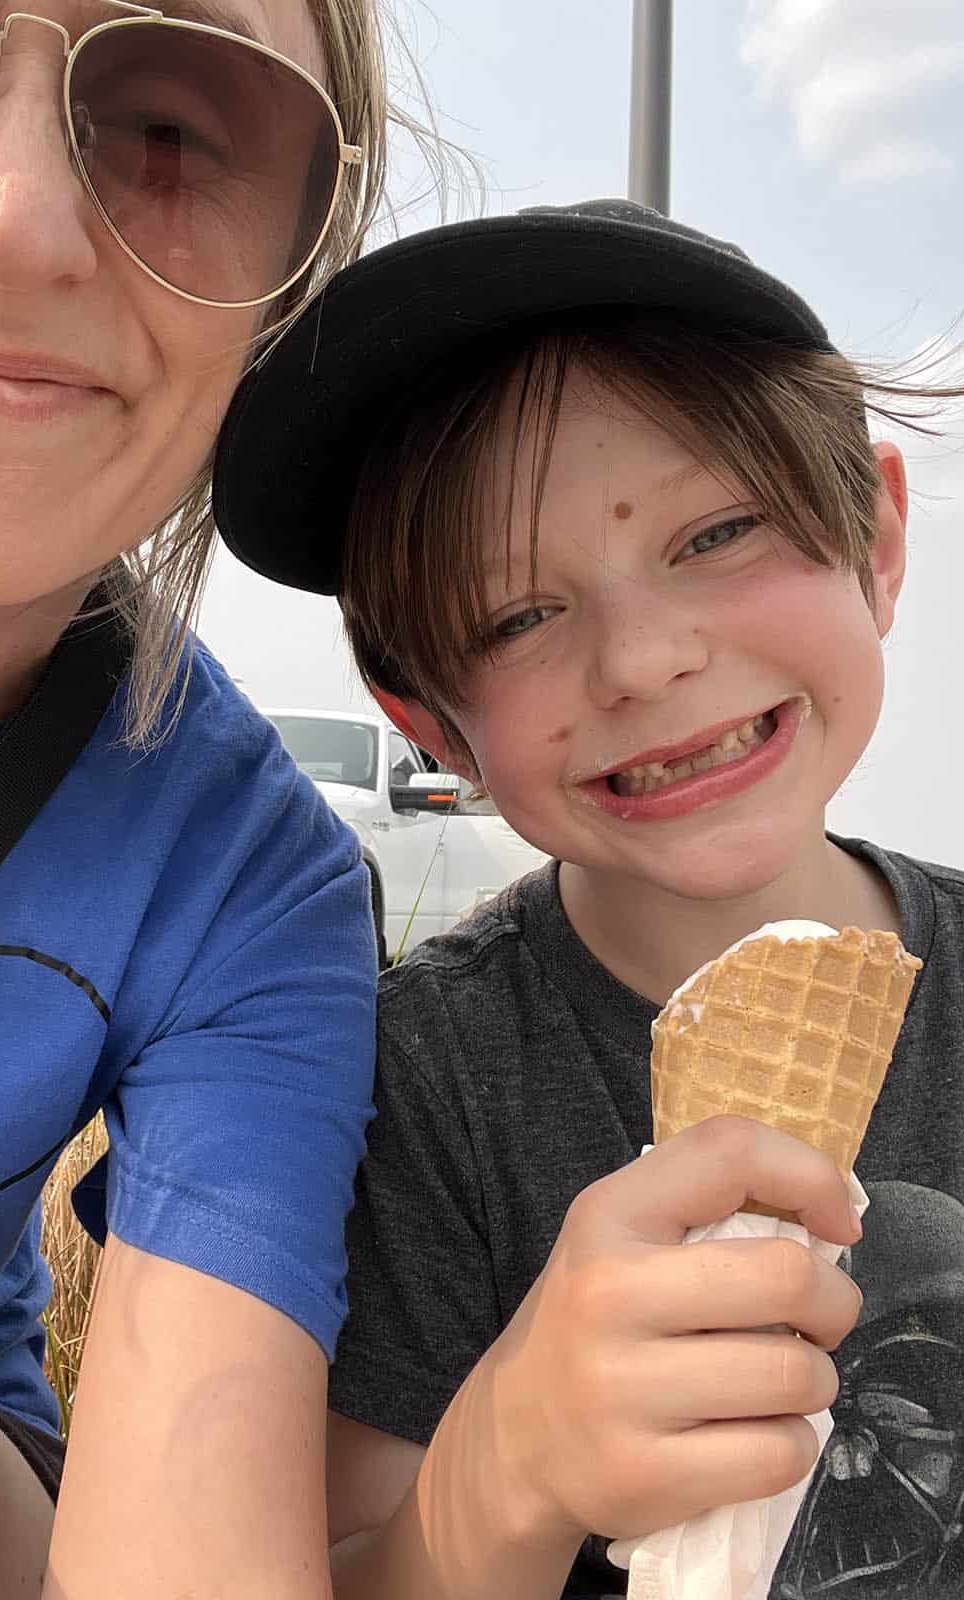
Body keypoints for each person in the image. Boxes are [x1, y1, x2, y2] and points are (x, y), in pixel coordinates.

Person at [212, 199, 964, 1598]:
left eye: (719, 531)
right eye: (516, 617)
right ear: (424, 714)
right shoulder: (416, 1089)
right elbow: (349, 1563)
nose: (642, 659)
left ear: (878, 538)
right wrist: (517, 1456)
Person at [0, 1, 408, 1595]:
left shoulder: (253, 877)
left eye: (176, 137)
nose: (11, 228)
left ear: (279, 302)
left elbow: (192, 1542)